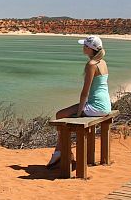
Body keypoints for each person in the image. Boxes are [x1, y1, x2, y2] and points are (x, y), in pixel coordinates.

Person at [47, 35, 112, 168]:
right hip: (106, 105)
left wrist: (79, 112)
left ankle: (63, 152)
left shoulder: (91, 65)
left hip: (96, 106)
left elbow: (85, 92)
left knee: (60, 115)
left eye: (84, 46)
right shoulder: (102, 62)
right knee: (64, 115)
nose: (82, 47)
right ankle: (60, 151)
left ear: (89, 48)